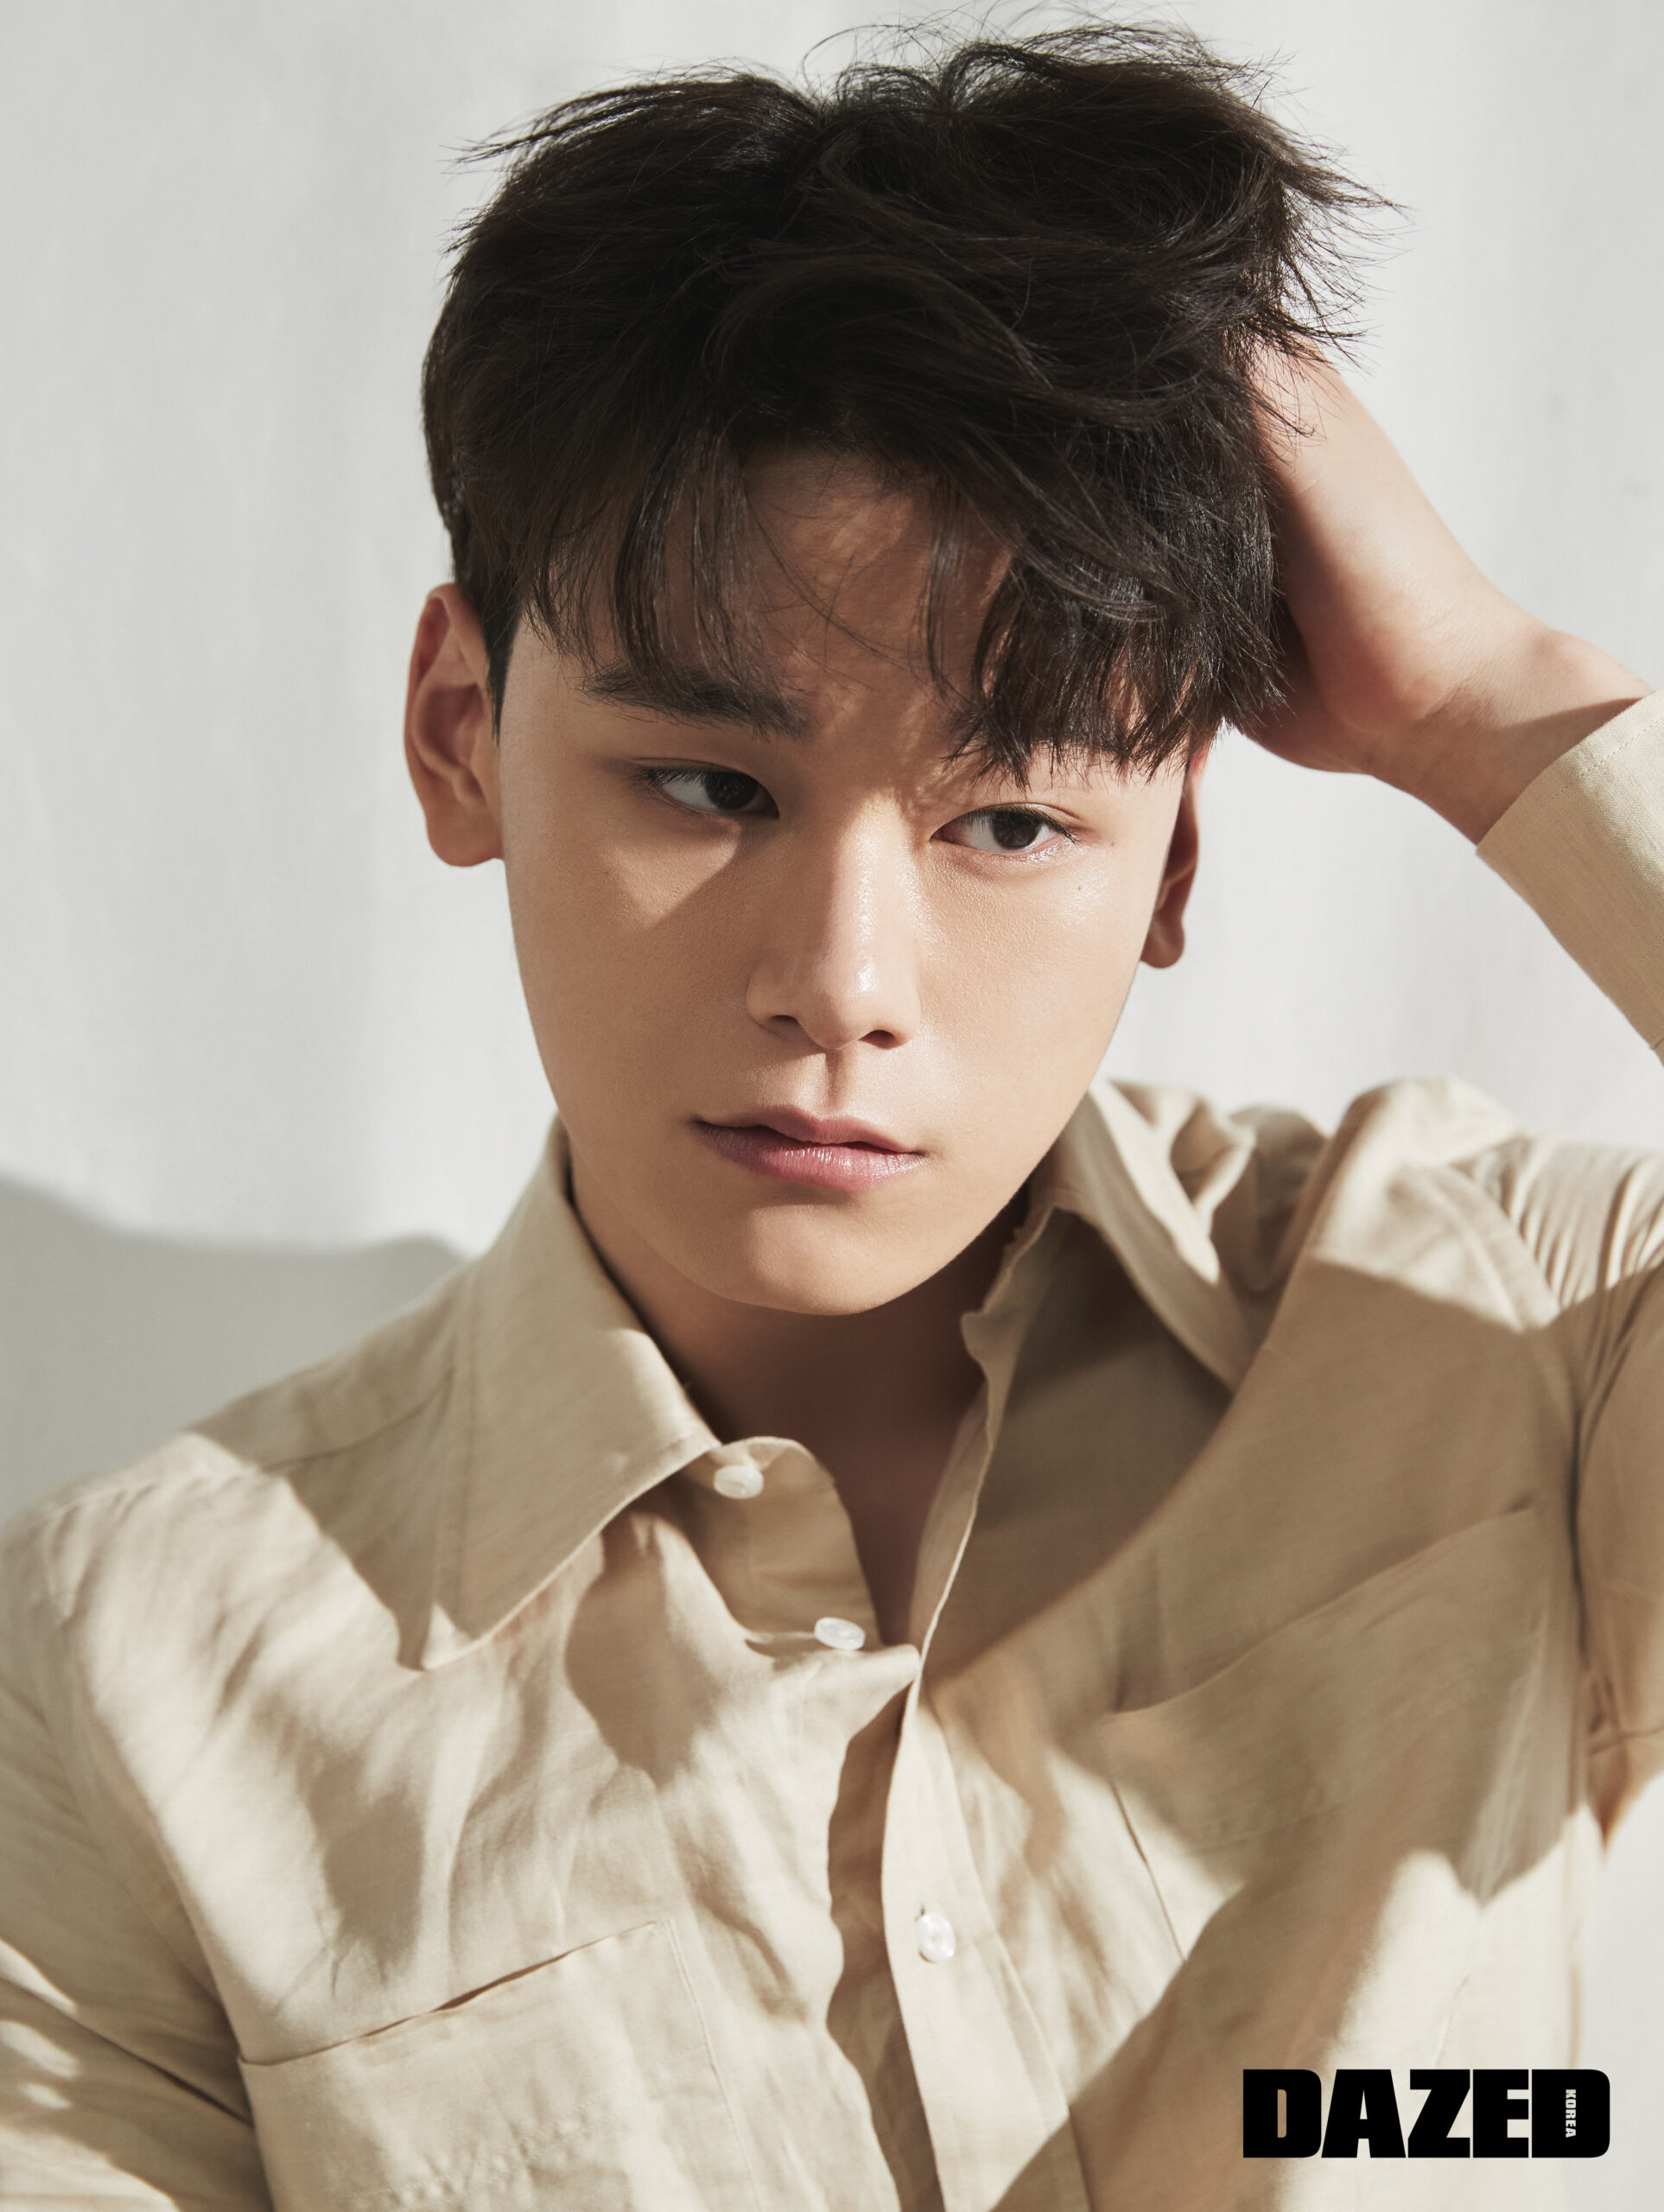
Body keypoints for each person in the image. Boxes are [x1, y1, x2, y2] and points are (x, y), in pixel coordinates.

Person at [1, 22, 1657, 2209]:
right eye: (711, 783)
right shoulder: (128, 1665)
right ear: (460, 731)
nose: (843, 982)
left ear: (1175, 857)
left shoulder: (1516, 1328)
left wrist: (1484, 702)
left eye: (1010, 819)